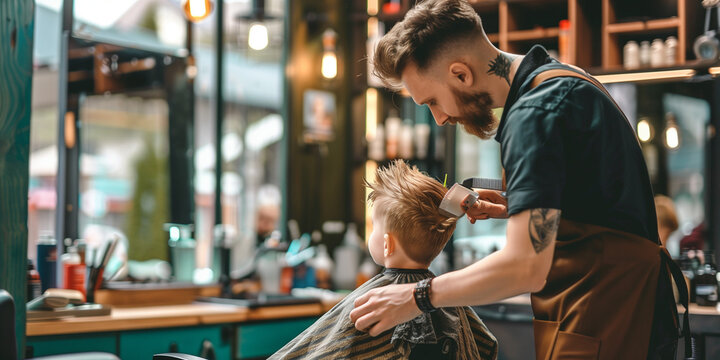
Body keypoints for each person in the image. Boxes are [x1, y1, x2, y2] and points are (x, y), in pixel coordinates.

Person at [350, 1, 683, 359]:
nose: (440, 119)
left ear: (461, 74)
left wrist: (418, 297)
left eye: (433, 101)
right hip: (625, 312)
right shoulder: (564, 80)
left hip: (605, 321)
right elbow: (602, 210)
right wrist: (518, 207)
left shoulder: (534, 114)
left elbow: (525, 269)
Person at [270, 160, 497, 359]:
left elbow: (327, 350)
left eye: (373, 227)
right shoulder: (449, 300)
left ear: (387, 244)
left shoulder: (375, 300)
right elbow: (486, 345)